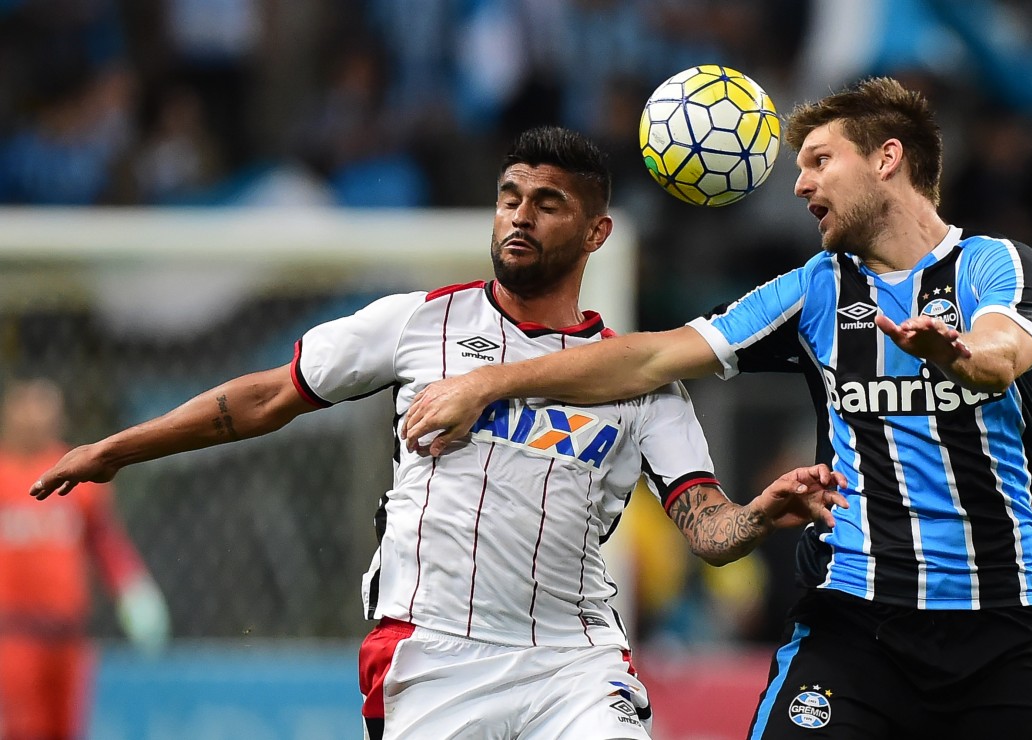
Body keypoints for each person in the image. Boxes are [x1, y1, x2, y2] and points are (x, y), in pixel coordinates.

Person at [29, 126, 848, 740]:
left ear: (597, 233)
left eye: (548, 202)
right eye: (509, 197)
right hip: (434, 654)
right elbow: (263, 399)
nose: (519, 217)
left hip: (574, 661)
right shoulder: (420, 324)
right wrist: (114, 449)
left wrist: (756, 515)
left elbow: (703, 523)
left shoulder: (642, 384)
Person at [401, 80, 1032, 738]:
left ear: (887, 158)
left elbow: (1004, 353)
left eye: (820, 160)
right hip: (856, 628)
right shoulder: (816, 290)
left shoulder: (993, 263)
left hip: (1002, 625)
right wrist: (492, 382)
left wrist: (958, 356)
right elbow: (648, 358)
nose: (800, 184)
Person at [0, 378, 169, 740]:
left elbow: (106, 543)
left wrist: (133, 590)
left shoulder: (77, 472)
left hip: (69, 636)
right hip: (12, 635)